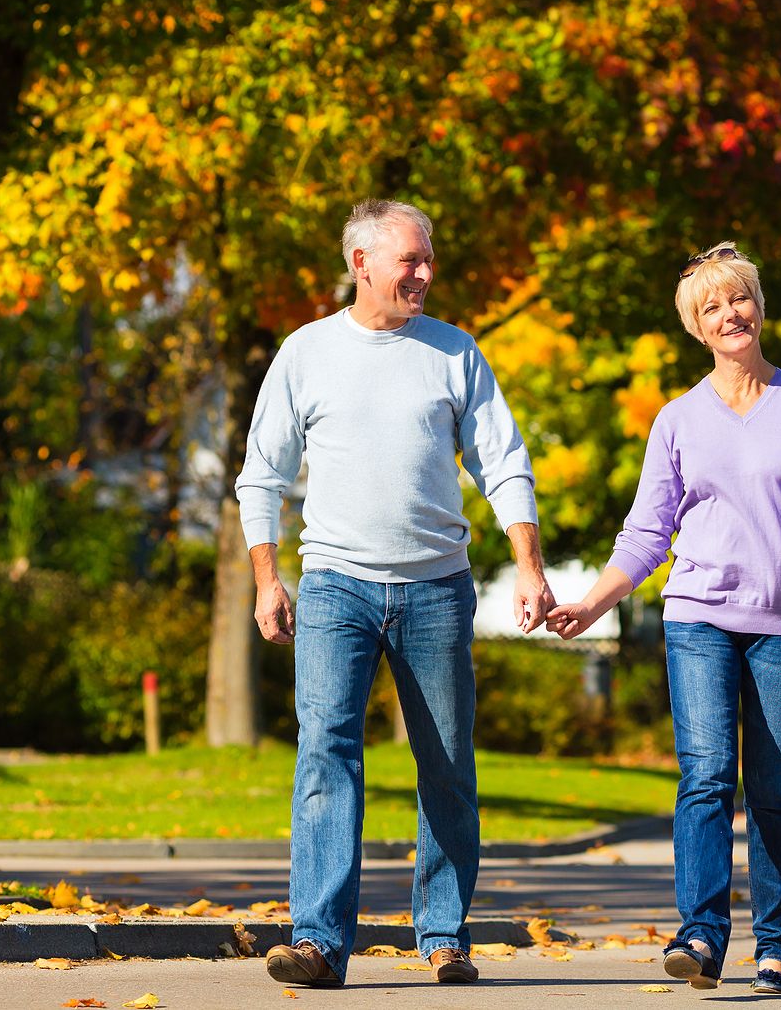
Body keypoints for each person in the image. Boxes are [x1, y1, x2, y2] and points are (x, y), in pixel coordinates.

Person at [236, 199, 555, 988]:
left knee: (445, 763)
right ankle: (317, 941)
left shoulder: (453, 352)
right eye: (410, 259)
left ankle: (444, 933)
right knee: (325, 753)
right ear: (360, 263)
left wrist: (529, 561)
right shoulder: (305, 352)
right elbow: (261, 474)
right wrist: (267, 577)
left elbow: (503, 461)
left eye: (428, 259)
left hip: (436, 589)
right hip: (335, 584)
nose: (423, 273)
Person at [547, 241, 781, 996]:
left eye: (738, 299)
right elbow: (647, 532)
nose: (729, 314)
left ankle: (776, 945)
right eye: (710, 307)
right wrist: (593, 600)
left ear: (758, 306)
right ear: (695, 326)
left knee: (773, 784)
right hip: (698, 616)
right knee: (707, 775)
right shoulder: (678, 420)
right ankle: (702, 935)